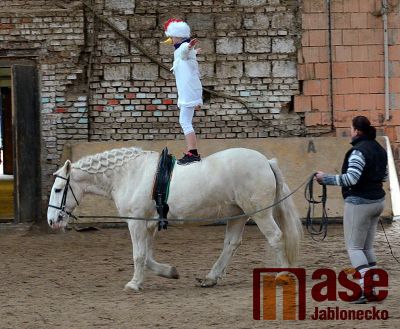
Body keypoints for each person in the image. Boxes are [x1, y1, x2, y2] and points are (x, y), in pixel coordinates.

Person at [315, 116, 388, 304]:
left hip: (359, 203)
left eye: (351, 128)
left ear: (356, 131)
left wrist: (326, 178)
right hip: (378, 201)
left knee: (354, 247)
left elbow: (351, 179)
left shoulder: (358, 152)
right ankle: (373, 288)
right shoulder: (379, 148)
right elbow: (385, 176)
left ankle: (365, 290)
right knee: (367, 247)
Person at [163, 18, 203, 165]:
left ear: (178, 36)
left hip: (189, 92)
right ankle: (193, 152)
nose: (171, 39)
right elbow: (187, 57)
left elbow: (185, 53)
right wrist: (194, 51)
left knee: (184, 121)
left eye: (172, 37)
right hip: (189, 91)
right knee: (185, 121)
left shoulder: (183, 47)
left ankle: (193, 153)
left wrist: (190, 47)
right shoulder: (182, 48)